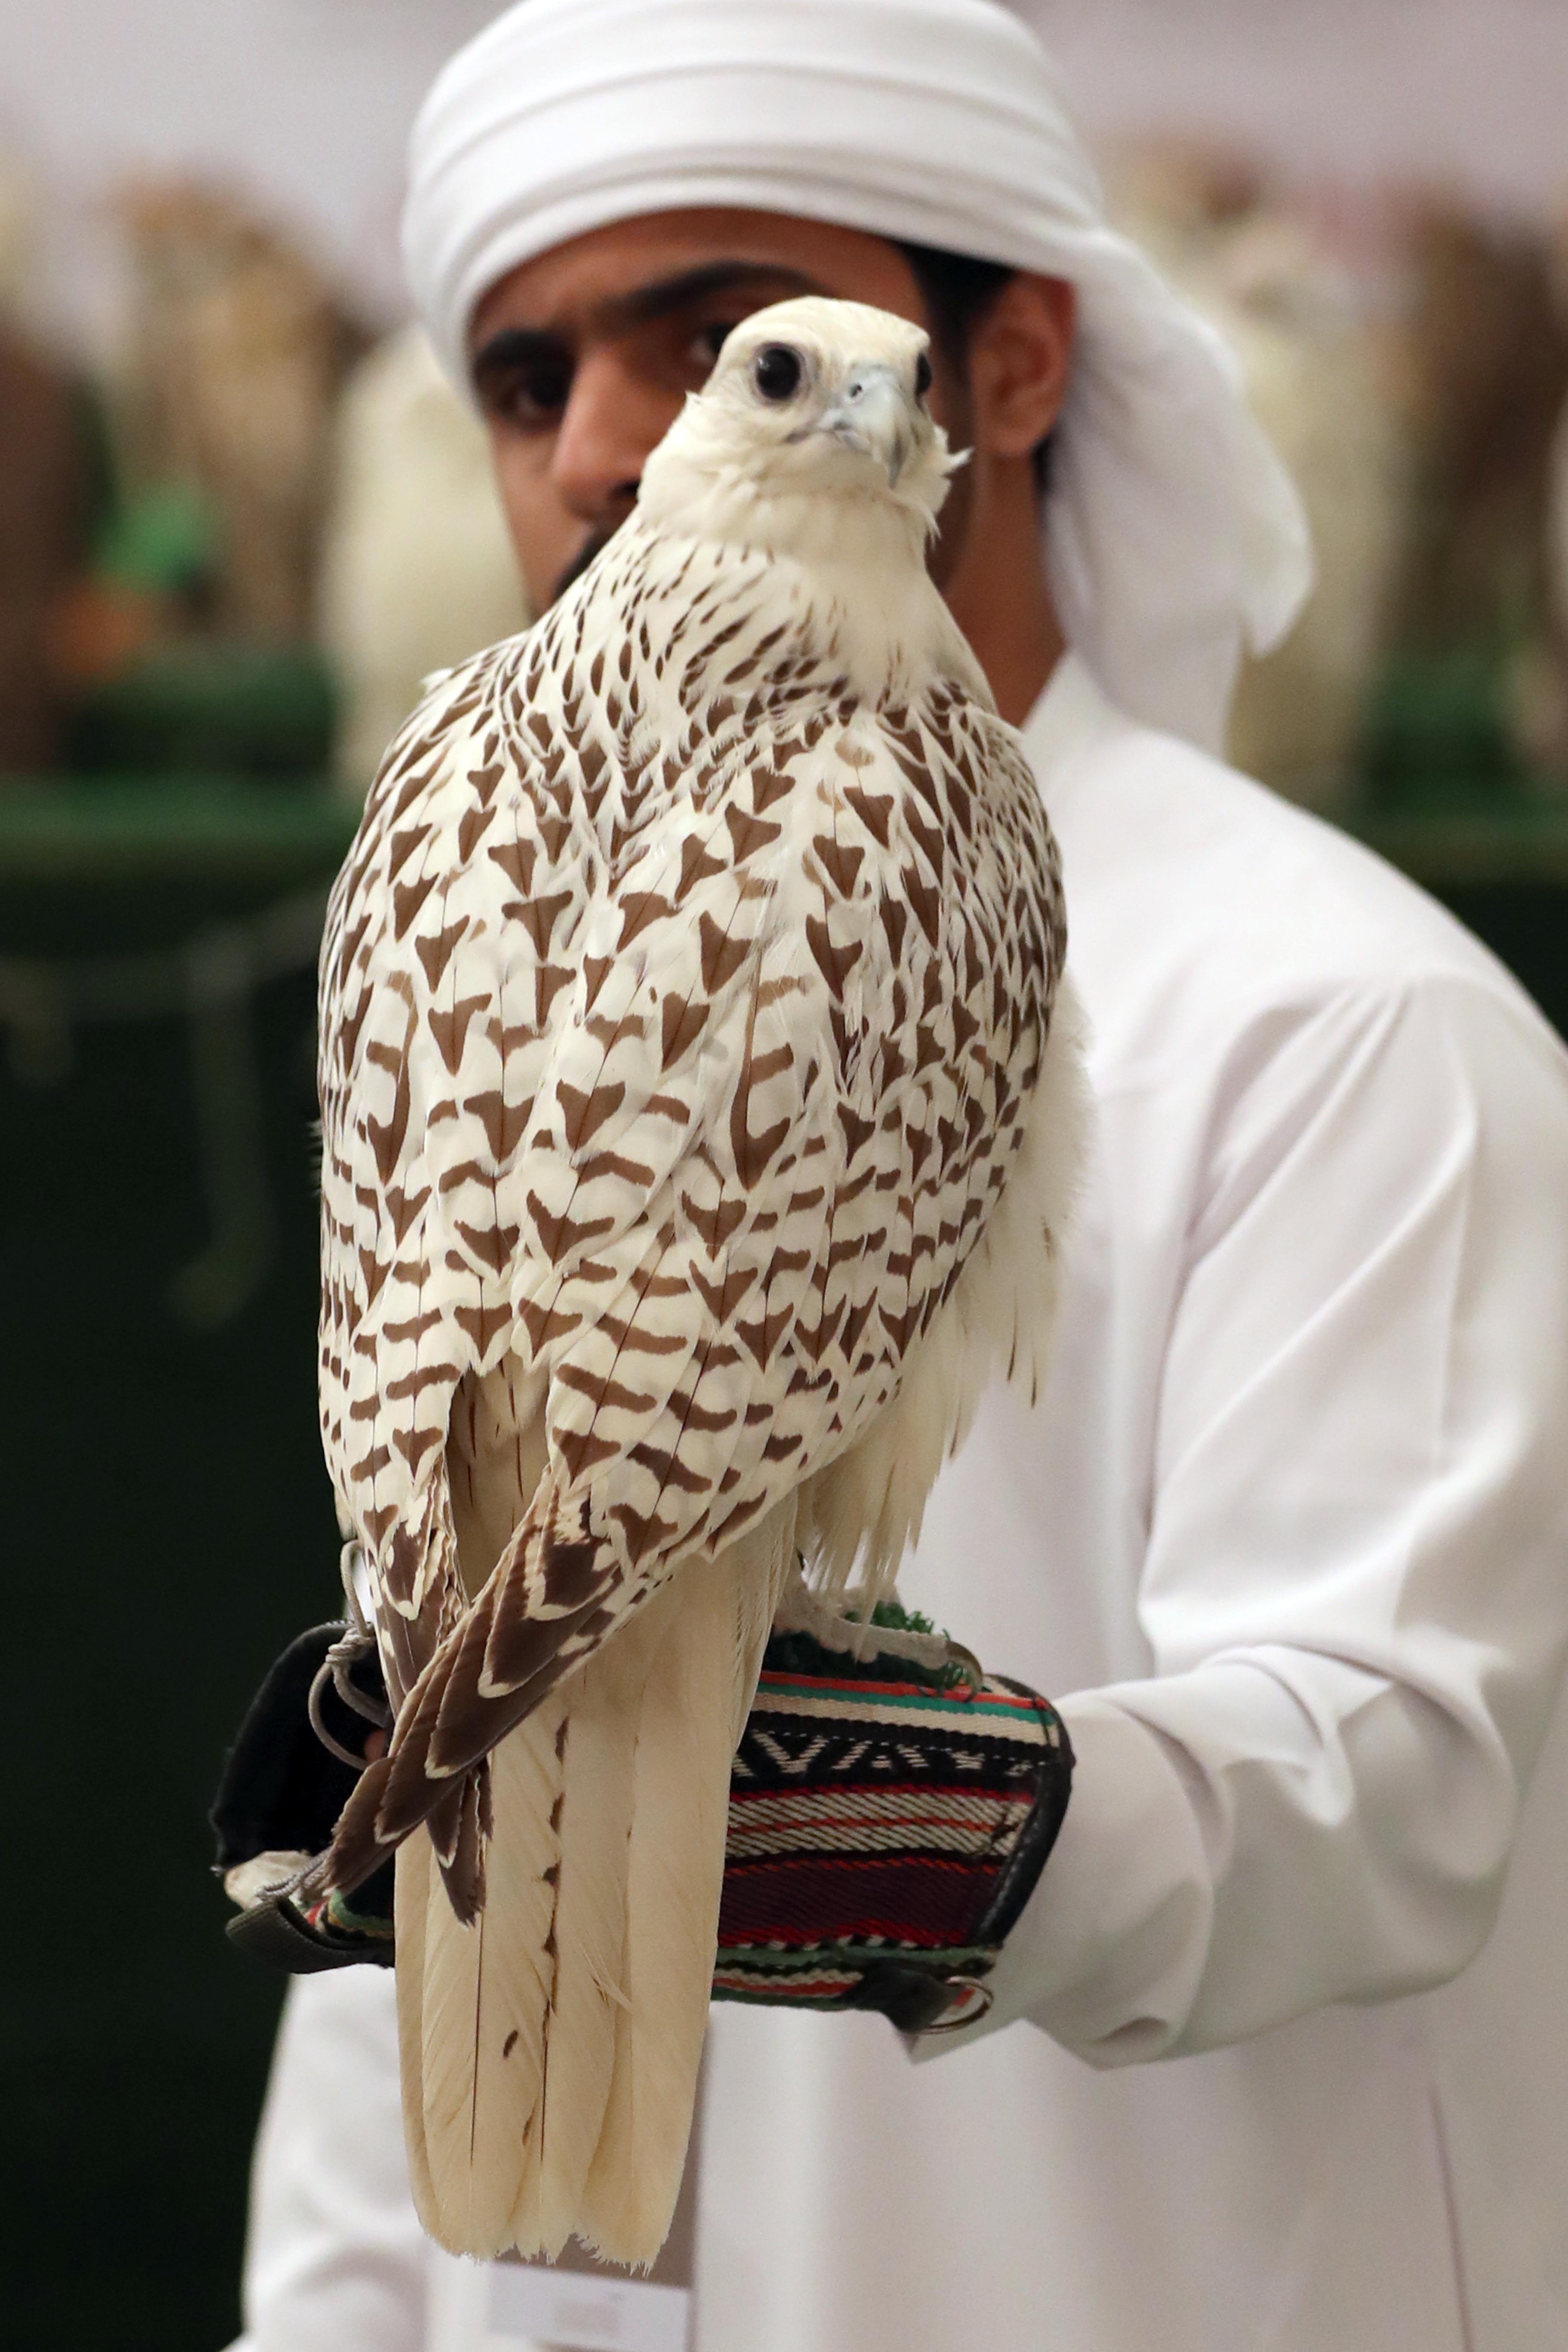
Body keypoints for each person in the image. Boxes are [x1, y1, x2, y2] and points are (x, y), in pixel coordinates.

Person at [231, 3, 1568, 2346]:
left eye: (705, 328)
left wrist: (959, 1831)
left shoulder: (1342, 1013)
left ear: (1012, 368)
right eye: (531, 379)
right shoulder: (478, 905)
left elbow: (1406, 1784)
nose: (601, 439)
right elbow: (402, 1852)